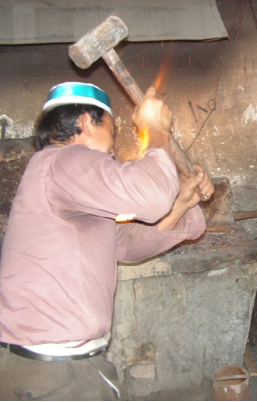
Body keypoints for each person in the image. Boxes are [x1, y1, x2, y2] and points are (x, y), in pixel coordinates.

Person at [0, 82, 213, 400]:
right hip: (53, 374)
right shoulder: (65, 160)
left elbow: (126, 245)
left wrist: (180, 203)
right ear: (86, 122)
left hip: (65, 365)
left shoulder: (64, 178)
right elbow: (151, 196)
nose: (113, 148)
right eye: (112, 132)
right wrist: (157, 131)